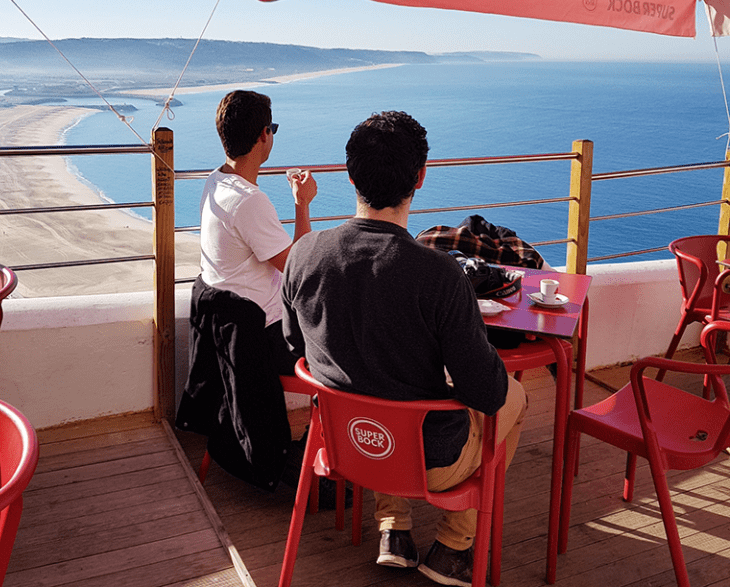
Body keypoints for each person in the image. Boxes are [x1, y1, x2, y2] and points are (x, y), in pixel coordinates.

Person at [283, 110, 526, 587]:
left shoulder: (303, 254)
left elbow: (298, 349)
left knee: (374, 376)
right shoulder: (439, 276)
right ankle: (454, 547)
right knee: (514, 399)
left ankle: (394, 528)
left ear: (351, 176)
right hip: (430, 462)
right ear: (420, 177)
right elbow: (487, 392)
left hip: (349, 446)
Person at [199, 89, 317, 374]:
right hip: (264, 332)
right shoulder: (248, 200)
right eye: (272, 128)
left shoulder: (217, 181)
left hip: (230, 321)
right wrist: (302, 204)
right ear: (264, 134)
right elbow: (296, 271)